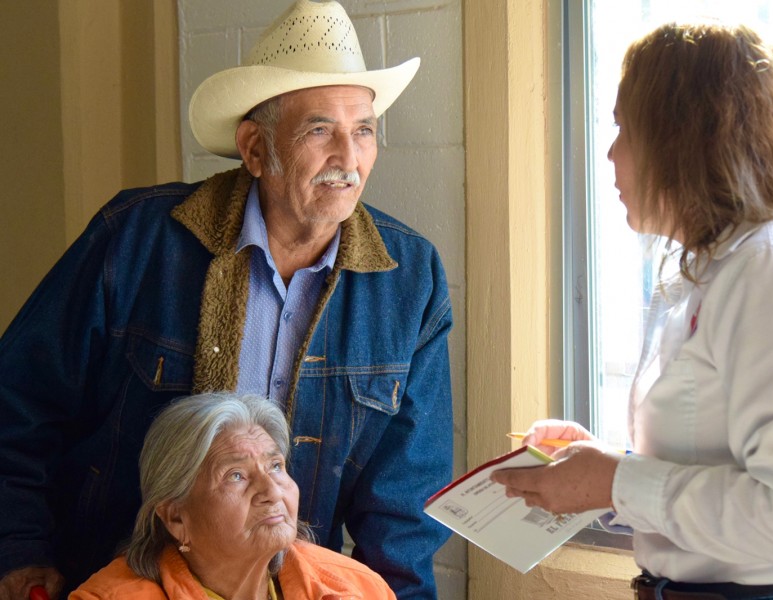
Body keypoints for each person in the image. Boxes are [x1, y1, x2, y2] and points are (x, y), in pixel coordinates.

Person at [0, 1, 453, 598]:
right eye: (320, 130)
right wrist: (20, 548)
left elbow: (405, 499)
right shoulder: (136, 239)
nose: (348, 158)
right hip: (112, 577)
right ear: (255, 148)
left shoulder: (409, 277)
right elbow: (19, 401)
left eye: (363, 130)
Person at [492, 22, 773, 599]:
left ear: (679, 138)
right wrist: (602, 467)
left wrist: (616, 482)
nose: (609, 154)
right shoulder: (699, 270)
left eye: (624, 129)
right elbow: (714, 459)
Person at [69, 392, 396, 600]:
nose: (271, 491)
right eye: (236, 476)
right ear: (176, 517)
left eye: (276, 466)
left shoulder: (360, 588)